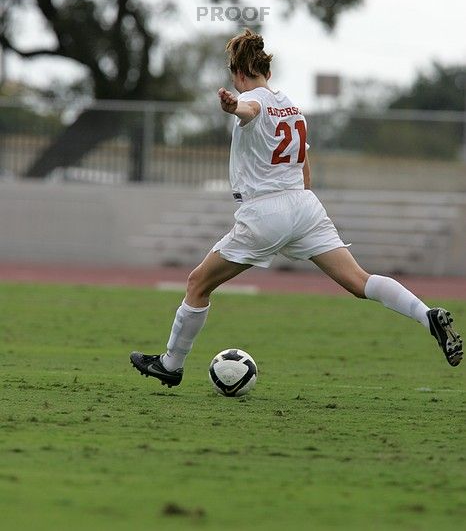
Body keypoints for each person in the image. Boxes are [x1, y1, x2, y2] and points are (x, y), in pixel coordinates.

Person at [130, 28, 463, 386]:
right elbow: (304, 165)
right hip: (304, 206)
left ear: (238, 74)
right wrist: (295, 209)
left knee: (198, 283)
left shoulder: (252, 101)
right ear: (267, 71)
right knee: (359, 281)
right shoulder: (293, 107)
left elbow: (248, 109)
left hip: (265, 212)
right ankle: (426, 314)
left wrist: (232, 106)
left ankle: (171, 364)